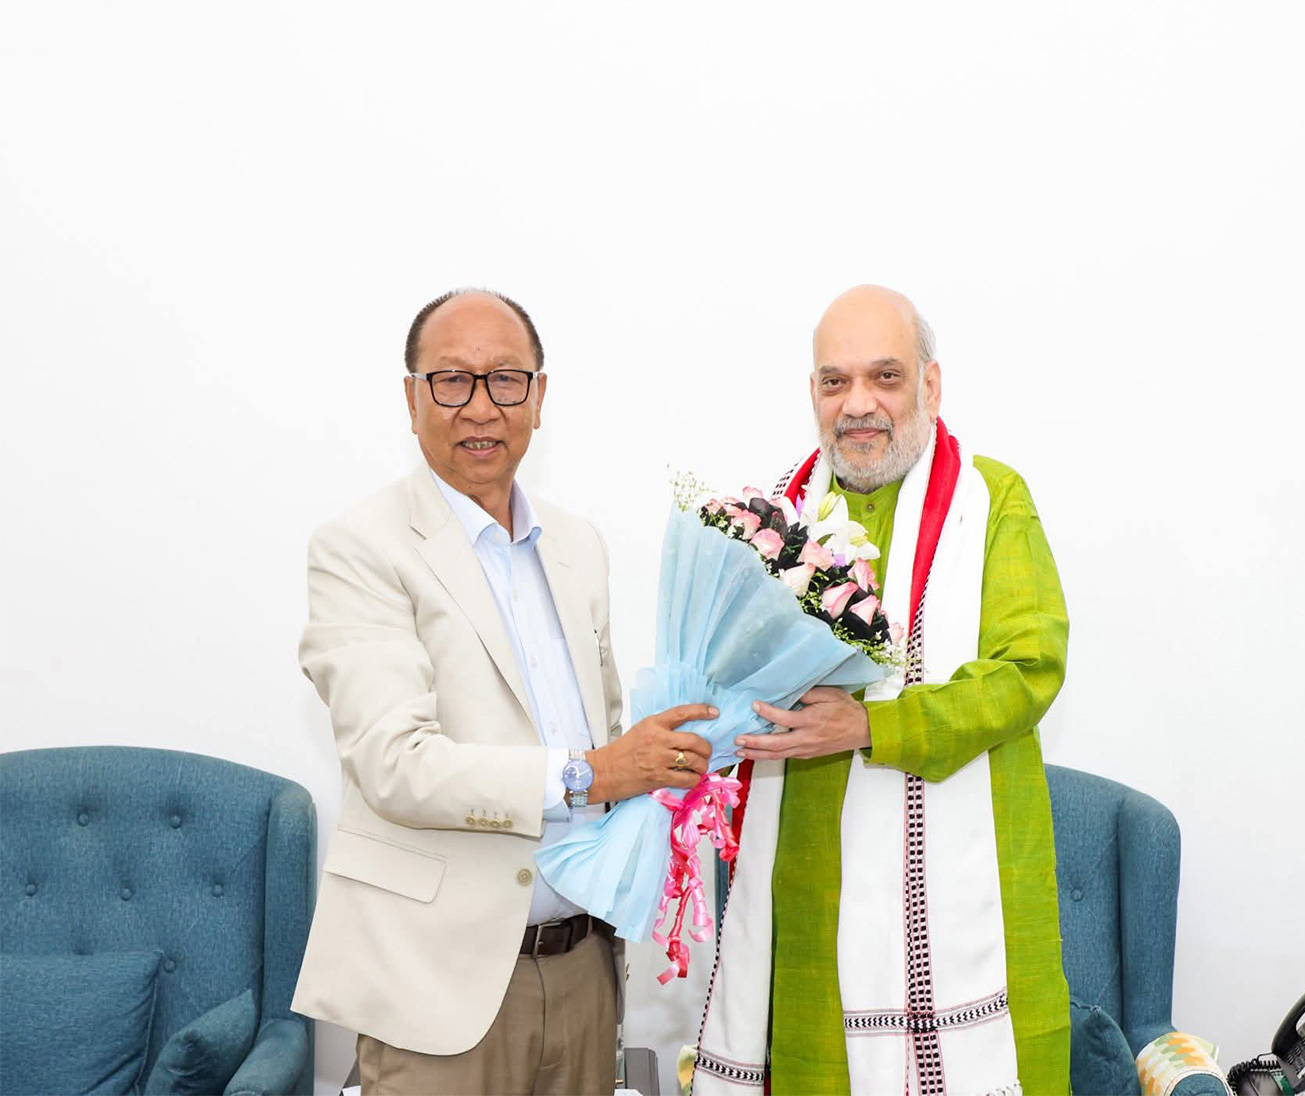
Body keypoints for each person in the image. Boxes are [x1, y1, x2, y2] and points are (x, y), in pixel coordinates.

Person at [291, 289, 714, 1096]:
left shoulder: (577, 547)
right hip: (437, 994)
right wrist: (593, 773)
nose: (479, 406)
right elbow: (398, 765)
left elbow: (611, 732)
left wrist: (690, 756)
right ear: (411, 399)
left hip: (587, 974)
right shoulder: (358, 549)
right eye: (451, 380)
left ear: (540, 397)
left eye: (505, 380)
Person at [694, 285, 1073, 1094]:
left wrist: (870, 725)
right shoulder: (773, 524)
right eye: (835, 382)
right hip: (810, 901)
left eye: (885, 377)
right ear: (813, 396)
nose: (858, 404)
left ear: (931, 387)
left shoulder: (992, 501)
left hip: (975, 918)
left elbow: (1026, 671)